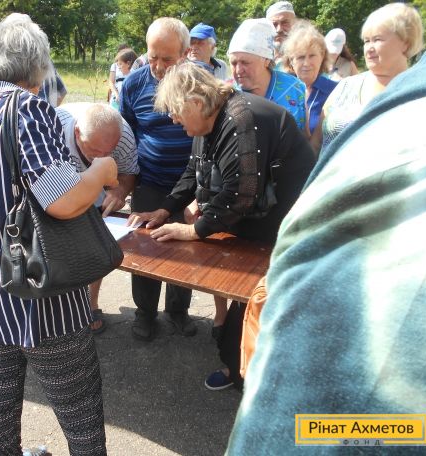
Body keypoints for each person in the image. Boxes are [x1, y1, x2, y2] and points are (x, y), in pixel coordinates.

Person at [226, 39, 426, 455]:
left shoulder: (401, 94)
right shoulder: (352, 92)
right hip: (331, 208)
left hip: (375, 233)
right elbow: (318, 145)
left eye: (382, 40)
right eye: (368, 41)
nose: (372, 48)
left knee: (365, 425)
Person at [0, 13, 117, 455]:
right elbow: (63, 199)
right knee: (79, 412)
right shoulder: (28, 108)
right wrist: (101, 171)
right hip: (42, 298)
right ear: (38, 65)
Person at [128, 61, 315, 390]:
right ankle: (240, 365)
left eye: (176, 113)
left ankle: (246, 373)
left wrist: (193, 231)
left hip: (285, 225)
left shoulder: (241, 119)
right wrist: (165, 209)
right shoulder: (209, 120)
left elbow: (241, 194)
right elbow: (194, 171)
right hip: (259, 219)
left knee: (257, 298)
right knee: (246, 297)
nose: (173, 120)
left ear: (195, 103)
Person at [119, 17, 196, 341]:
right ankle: (145, 313)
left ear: (186, 53)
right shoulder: (133, 84)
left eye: (168, 58)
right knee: (145, 248)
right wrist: (124, 182)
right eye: (153, 57)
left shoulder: (198, 83)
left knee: (185, 249)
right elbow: (125, 135)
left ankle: (178, 311)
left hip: (190, 186)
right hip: (149, 182)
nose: (160, 66)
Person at [56, 102, 139, 333]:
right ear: (77, 133)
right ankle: (63, 303)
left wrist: (120, 191)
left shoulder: (123, 136)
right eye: (94, 150)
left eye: (108, 152)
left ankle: (91, 303)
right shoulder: (54, 127)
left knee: (96, 246)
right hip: (60, 186)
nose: (101, 158)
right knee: (61, 247)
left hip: (96, 192)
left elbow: (129, 172)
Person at [312, 2, 424, 153]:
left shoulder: (420, 92)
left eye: (377, 39)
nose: (369, 48)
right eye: (366, 41)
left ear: (406, 43)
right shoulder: (345, 87)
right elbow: (316, 142)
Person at [227, 18, 307, 132]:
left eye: (245, 63)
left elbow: (308, 135)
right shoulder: (226, 93)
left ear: (266, 60)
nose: (239, 70)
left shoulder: (296, 89)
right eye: (234, 63)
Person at [282, 21, 338, 135]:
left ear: (322, 56)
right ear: (291, 61)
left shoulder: (336, 91)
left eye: (312, 56)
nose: (306, 63)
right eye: (300, 57)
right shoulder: (282, 90)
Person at [265, 1, 296, 70]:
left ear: (295, 24)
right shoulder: (262, 61)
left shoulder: (306, 57)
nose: (279, 30)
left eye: (285, 22)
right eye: (274, 24)